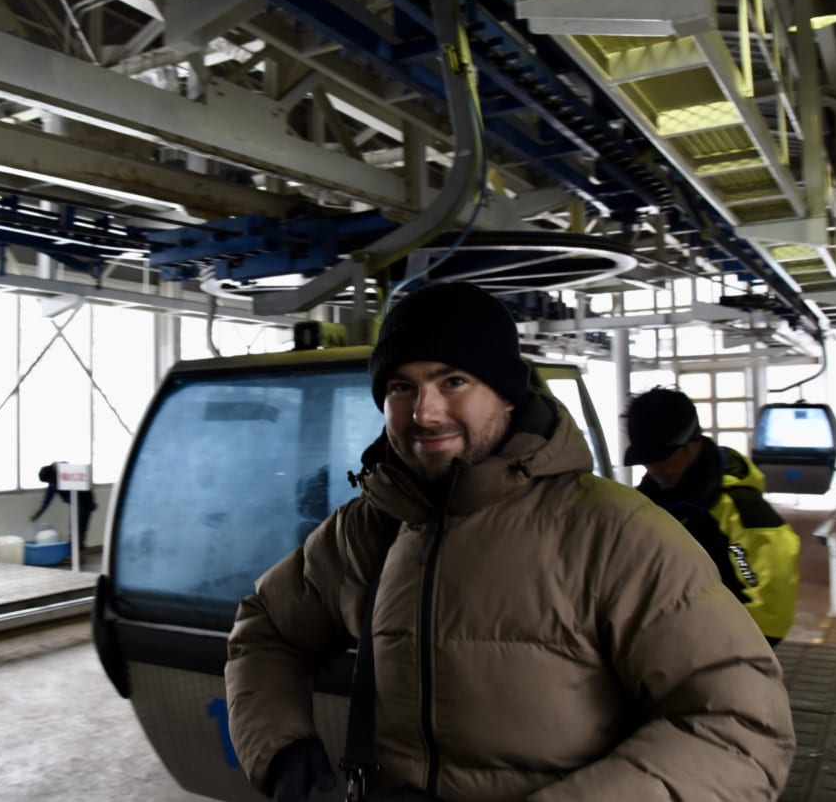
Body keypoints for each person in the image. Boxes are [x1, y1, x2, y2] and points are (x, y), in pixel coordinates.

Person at [225, 281, 795, 802]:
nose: (424, 412)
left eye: (453, 381)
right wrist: (280, 745)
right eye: (402, 387)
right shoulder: (369, 528)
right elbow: (267, 628)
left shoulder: (615, 533)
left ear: (507, 396)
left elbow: (741, 731)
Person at [624, 386, 801, 647]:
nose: (655, 469)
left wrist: (724, 649)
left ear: (691, 443)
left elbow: (771, 608)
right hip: (662, 645)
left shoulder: (738, 508)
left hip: (722, 649)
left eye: (662, 458)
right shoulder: (645, 502)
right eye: (647, 460)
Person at [30, 461, 97, 553]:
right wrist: (38, 514)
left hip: (84, 503)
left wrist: (91, 502)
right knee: (74, 528)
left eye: (49, 481)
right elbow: (47, 500)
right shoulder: (53, 482)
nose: (50, 483)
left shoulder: (65, 471)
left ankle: (78, 552)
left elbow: (85, 487)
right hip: (75, 505)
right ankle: (75, 552)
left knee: (79, 528)